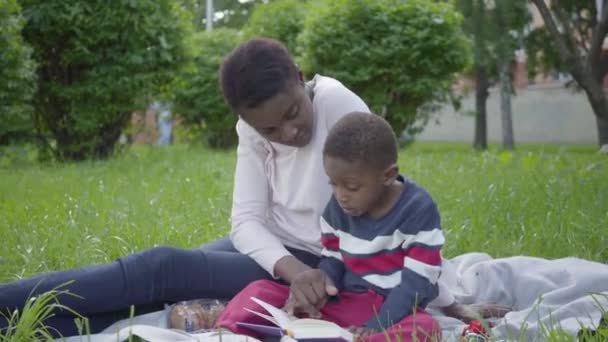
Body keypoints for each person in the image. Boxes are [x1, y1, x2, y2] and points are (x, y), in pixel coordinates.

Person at [0, 38, 504, 338]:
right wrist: (289, 268)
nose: (289, 133)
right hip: (281, 253)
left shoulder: (339, 106)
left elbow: (385, 206)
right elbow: (246, 221)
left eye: (292, 114)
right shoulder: (253, 128)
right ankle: (14, 321)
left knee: (163, 270)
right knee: (166, 277)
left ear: (300, 80)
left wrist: (426, 294)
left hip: (328, 264)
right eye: (270, 130)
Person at [215, 112, 444, 341]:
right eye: (333, 184)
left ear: (388, 175)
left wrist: (378, 324)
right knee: (259, 291)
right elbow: (334, 259)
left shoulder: (419, 210)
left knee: (426, 326)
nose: (341, 196)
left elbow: (416, 285)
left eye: (352, 187)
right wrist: (321, 285)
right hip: (345, 302)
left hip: (393, 310)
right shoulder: (339, 208)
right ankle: (225, 333)